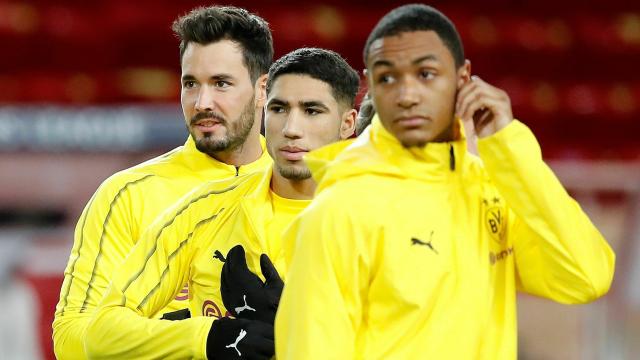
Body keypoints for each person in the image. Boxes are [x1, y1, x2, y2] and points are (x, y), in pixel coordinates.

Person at [275, 4, 615, 359]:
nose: (407, 96)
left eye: (425, 74)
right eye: (388, 77)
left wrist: (508, 148)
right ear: (371, 83)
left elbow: (585, 277)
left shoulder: (488, 189)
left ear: (463, 78)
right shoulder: (338, 212)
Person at [84, 47, 359, 359]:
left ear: (348, 124)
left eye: (312, 111)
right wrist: (208, 337)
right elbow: (102, 334)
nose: (291, 129)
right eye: (279, 109)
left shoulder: (381, 225)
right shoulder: (204, 211)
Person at [52, 6, 274, 358]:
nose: (202, 103)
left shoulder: (298, 186)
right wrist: (194, 339)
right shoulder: (127, 194)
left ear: (263, 89)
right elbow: (71, 340)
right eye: (191, 84)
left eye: (221, 84)